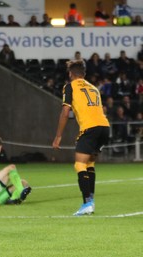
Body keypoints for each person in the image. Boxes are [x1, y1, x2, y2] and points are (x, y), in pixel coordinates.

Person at [52, 60, 110, 216]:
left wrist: (58, 136)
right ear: (84, 74)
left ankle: (87, 203)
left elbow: (65, 112)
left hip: (90, 129)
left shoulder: (70, 86)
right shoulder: (94, 88)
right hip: (104, 127)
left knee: (79, 164)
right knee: (89, 163)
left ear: (71, 74)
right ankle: (90, 202)